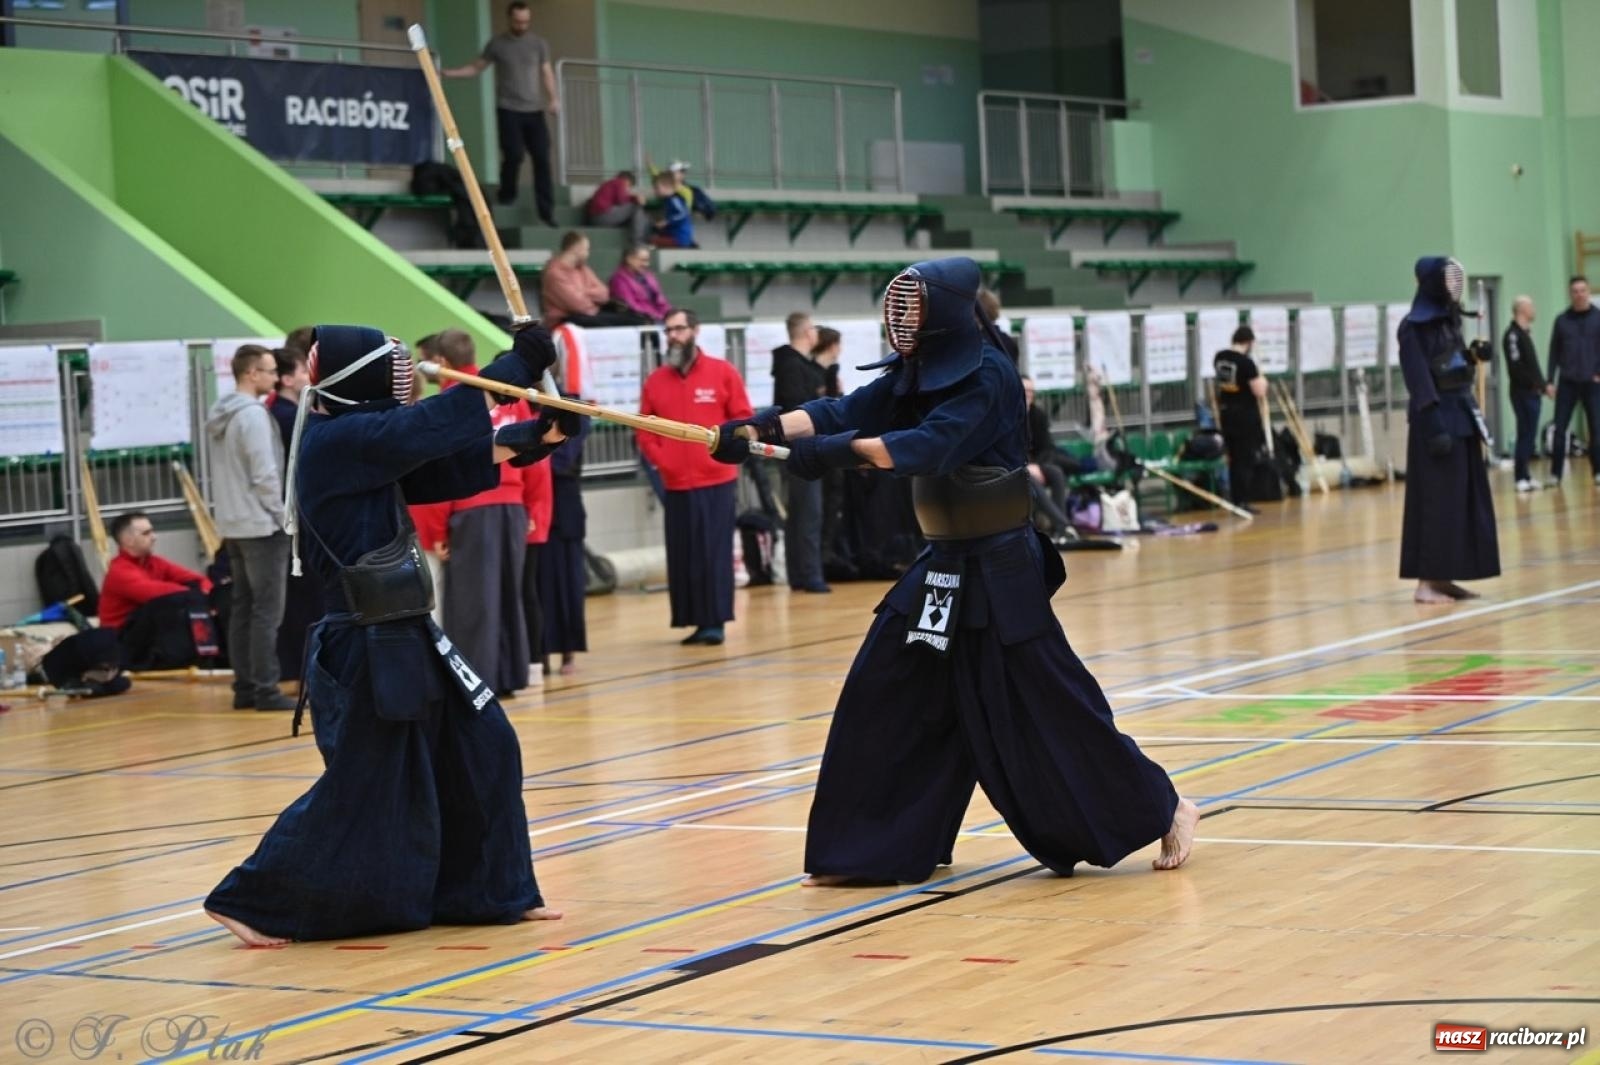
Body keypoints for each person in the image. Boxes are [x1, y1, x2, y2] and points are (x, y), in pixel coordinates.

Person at [711, 256, 1197, 883]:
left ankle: (1166, 805)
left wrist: (830, 456)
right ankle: (869, 849)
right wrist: (762, 427)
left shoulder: (988, 375)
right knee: (885, 690)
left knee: (1052, 705)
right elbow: (845, 409)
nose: (900, 319)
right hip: (943, 565)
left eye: (911, 307)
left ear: (942, 310)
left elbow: (925, 445)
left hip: (1000, 571)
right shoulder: (916, 369)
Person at [203, 323, 569, 945]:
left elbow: (440, 466)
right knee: (367, 779)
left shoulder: (358, 442)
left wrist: (536, 437)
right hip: (363, 642)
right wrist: (515, 366)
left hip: (405, 631)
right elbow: (428, 427)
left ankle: (487, 891)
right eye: (394, 368)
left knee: (485, 745)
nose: (405, 378)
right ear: (365, 378)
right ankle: (251, 900)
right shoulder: (338, 440)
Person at [411, 330, 537, 697]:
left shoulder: (452, 401)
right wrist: (531, 506)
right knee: (508, 594)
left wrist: (436, 530)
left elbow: (440, 468)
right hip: (513, 506)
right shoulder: (508, 394)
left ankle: (477, 679)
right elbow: (533, 455)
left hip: (471, 507)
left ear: (441, 362)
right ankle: (511, 674)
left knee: (473, 601)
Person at [639, 308, 753, 645]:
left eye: (679, 329)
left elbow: (742, 420)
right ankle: (693, 619)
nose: (673, 336)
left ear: (695, 330)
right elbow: (644, 429)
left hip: (716, 480)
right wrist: (663, 460)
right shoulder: (656, 381)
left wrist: (724, 453)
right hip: (675, 483)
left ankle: (714, 621)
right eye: (668, 330)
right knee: (684, 553)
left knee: (713, 552)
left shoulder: (722, 372)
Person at [1398, 256, 1500, 603]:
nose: (1455, 285)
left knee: (1460, 500)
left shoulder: (1449, 321)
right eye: (1448, 279)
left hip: (1461, 415)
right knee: (1437, 500)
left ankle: (1445, 576)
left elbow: (1449, 365)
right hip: (1436, 422)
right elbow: (1419, 378)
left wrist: (1473, 355)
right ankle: (1426, 581)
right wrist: (1433, 423)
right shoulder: (1413, 327)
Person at [205, 345, 294, 711]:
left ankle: (244, 686)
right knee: (266, 612)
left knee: (243, 607)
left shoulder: (221, 412)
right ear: (251, 373)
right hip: (261, 524)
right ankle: (265, 689)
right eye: (270, 371)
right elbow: (264, 474)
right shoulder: (253, 416)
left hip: (233, 524)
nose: (275, 377)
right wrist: (283, 516)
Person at [444, 1, 559, 225]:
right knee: (513, 154)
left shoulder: (538, 44)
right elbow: (476, 67)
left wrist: (554, 98)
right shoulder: (497, 44)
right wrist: (449, 73)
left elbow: (547, 72)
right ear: (509, 19)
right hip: (508, 109)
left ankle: (546, 211)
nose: (522, 25)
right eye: (518, 21)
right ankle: (507, 194)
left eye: (526, 22)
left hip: (534, 110)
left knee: (542, 157)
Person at [99, 511, 216, 671]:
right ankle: (179, 660)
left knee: (192, 595)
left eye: (152, 531)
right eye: (146, 533)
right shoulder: (119, 571)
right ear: (128, 540)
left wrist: (207, 593)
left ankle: (205, 655)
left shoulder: (155, 563)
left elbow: (199, 580)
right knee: (168, 604)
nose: (154, 537)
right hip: (122, 641)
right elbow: (157, 594)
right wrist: (197, 595)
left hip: (144, 634)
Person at [771, 312, 830, 593]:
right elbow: (799, 407)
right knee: (808, 512)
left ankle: (801, 574)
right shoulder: (792, 367)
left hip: (796, 446)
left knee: (800, 513)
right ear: (808, 332)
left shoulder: (795, 365)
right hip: (799, 448)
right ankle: (810, 574)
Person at [540, 412, 590, 675]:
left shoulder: (573, 416)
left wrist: (533, 448)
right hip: (538, 514)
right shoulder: (528, 413)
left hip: (566, 513)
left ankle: (568, 651)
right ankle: (541, 651)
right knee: (540, 586)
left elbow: (562, 460)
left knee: (570, 586)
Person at [1545, 275, 1600, 487]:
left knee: (1596, 428)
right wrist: (1550, 380)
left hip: (1592, 383)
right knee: (1560, 429)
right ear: (1570, 294)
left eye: (1582, 290)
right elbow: (1553, 352)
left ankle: (1598, 471)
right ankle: (1555, 474)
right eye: (1575, 291)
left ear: (1588, 292)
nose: (1579, 295)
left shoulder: (1598, 318)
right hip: (1567, 382)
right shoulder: (1561, 320)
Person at [540, 232, 651, 329]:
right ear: (576, 249)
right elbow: (578, 306)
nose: (588, 253)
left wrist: (582, 292)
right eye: (587, 249)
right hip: (564, 320)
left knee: (635, 320)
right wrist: (591, 297)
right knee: (605, 326)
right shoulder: (555, 273)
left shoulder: (582, 268)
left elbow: (604, 294)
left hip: (590, 314)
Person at [1213, 326, 1270, 508]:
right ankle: (1243, 500)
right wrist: (1263, 381)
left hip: (1226, 413)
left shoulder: (1220, 357)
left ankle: (1236, 498)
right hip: (1244, 417)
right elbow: (1259, 391)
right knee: (1245, 459)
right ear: (1249, 342)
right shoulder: (1246, 363)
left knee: (1233, 458)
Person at [1502, 295, 1546, 492]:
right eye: (1531, 306)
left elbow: (1533, 365)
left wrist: (1542, 385)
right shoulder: (1512, 335)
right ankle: (1520, 477)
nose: (1534, 309)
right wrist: (1533, 384)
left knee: (1529, 435)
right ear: (1522, 309)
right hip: (1522, 393)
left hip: (1533, 392)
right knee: (1525, 434)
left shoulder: (1525, 333)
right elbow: (1516, 367)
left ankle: (1526, 475)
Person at [521, 448, 554, 685]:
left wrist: (530, 515)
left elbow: (537, 479)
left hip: (527, 521)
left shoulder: (533, 440)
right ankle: (531, 659)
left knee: (526, 592)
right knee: (525, 592)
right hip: (523, 516)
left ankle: (534, 660)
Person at [608, 244, 673, 322]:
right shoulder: (619, 280)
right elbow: (632, 307)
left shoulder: (649, 276)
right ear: (629, 259)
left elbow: (661, 301)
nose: (646, 264)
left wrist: (671, 314)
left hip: (658, 317)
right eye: (642, 260)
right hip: (641, 320)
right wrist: (658, 317)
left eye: (647, 260)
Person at [585, 170, 651, 243]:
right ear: (627, 181)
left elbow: (619, 202)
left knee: (641, 216)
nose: (628, 189)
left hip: (596, 218)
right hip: (601, 217)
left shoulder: (609, 184)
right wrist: (636, 198)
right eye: (629, 186)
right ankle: (637, 242)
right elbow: (622, 201)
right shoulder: (619, 182)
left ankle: (642, 239)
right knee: (635, 207)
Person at [651, 172, 695, 249]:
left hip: (679, 238)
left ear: (667, 187)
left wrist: (667, 221)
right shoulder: (667, 200)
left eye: (657, 188)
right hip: (674, 236)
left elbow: (683, 213)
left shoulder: (674, 200)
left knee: (649, 241)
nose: (654, 191)